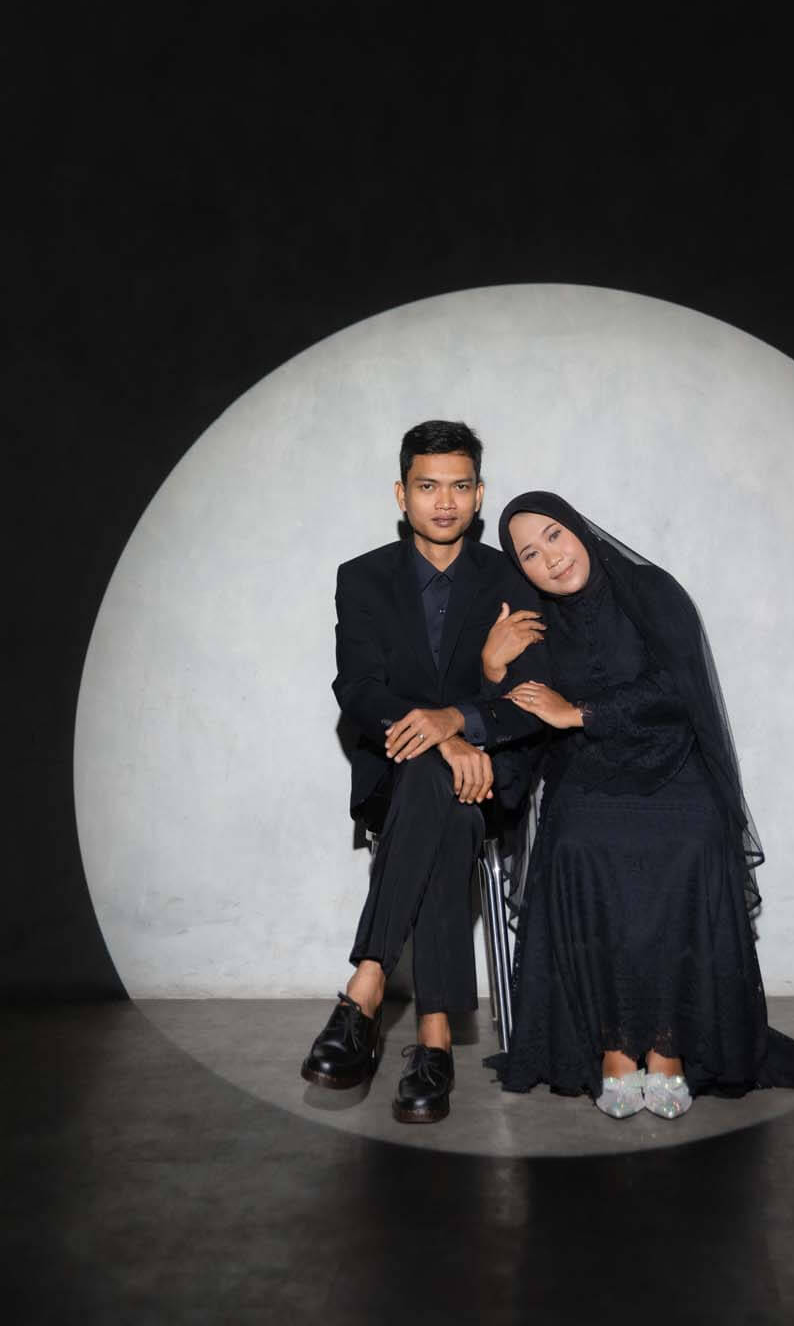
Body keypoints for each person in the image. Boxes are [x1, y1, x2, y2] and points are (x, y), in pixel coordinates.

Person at [482, 491, 794, 1119]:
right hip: (588, 774)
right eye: (529, 554)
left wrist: (582, 712)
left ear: (578, 529)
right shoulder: (533, 623)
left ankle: (668, 1046)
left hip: (676, 764)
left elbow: (677, 686)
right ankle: (615, 1048)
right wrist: (493, 666)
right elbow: (521, 713)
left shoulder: (652, 590)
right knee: (575, 847)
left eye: (554, 534)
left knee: (691, 845)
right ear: (521, 570)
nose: (550, 556)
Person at [300, 422, 548, 1123]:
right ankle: (434, 1040)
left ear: (479, 494)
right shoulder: (362, 577)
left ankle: (366, 988)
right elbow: (359, 689)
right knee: (435, 791)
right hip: (398, 774)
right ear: (401, 493)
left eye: (459, 486)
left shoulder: (511, 577)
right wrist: (442, 738)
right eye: (427, 486)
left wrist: (461, 720)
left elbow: (530, 696)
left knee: (445, 795)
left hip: (487, 775)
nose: (444, 502)